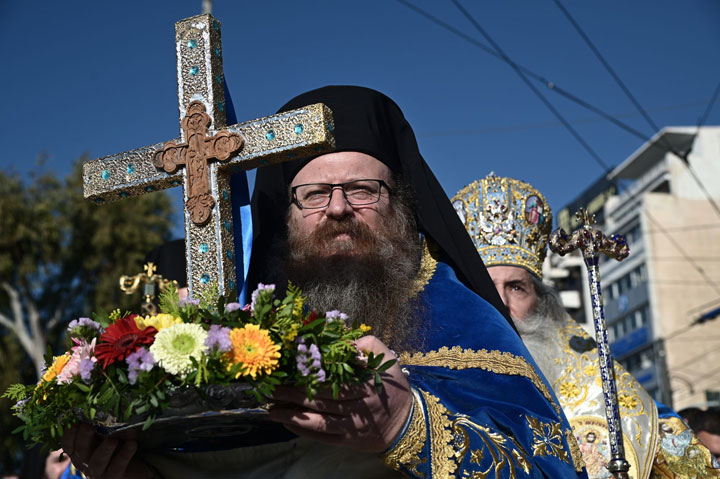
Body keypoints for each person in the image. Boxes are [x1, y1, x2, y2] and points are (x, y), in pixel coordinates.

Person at [61, 86, 586, 478]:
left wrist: (409, 426)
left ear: (401, 206)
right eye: (313, 195)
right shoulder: (249, 325)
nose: (337, 208)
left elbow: (552, 467)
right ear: (287, 216)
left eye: (362, 189)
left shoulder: (462, 316)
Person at [453, 173, 720, 479]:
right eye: (487, 289)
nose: (501, 302)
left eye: (516, 288)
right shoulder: (434, 387)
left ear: (542, 304)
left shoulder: (606, 394)